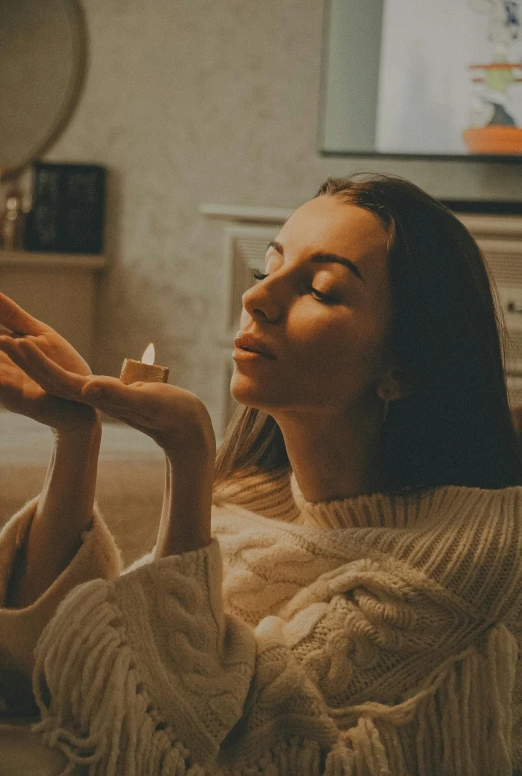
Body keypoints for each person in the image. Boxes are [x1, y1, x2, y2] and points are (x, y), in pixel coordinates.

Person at [0, 173, 522, 776]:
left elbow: (198, 745)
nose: (256, 298)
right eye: (264, 270)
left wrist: (188, 456)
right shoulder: (249, 506)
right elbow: (55, 671)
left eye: (321, 289)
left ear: (402, 367)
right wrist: (76, 435)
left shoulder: (466, 565)